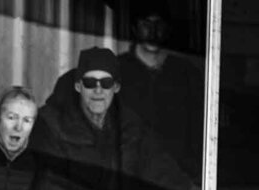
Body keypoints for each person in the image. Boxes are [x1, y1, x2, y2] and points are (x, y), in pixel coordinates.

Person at [31, 47, 196, 190]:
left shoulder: (131, 127)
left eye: (106, 82)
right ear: (78, 86)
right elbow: (46, 181)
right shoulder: (50, 124)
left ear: (116, 87)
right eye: (90, 82)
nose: (98, 90)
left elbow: (160, 169)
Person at [44, 0, 203, 179]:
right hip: (127, 177)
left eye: (159, 24)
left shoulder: (186, 74)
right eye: (146, 24)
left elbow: (200, 128)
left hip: (175, 178)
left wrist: (194, 175)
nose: (153, 31)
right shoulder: (114, 70)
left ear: (168, 29)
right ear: (134, 28)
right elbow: (64, 101)